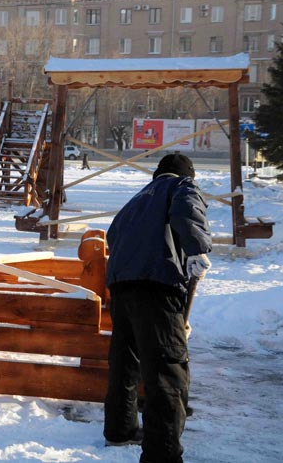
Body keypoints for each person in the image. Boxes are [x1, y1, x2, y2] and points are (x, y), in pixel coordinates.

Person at [103, 153, 212, 463]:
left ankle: (119, 429)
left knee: (125, 363)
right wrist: (196, 250)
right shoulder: (182, 186)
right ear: (184, 174)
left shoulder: (136, 200)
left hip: (122, 289)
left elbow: (113, 237)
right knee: (166, 370)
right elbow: (187, 212)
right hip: (157, 287)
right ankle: (161, 454)